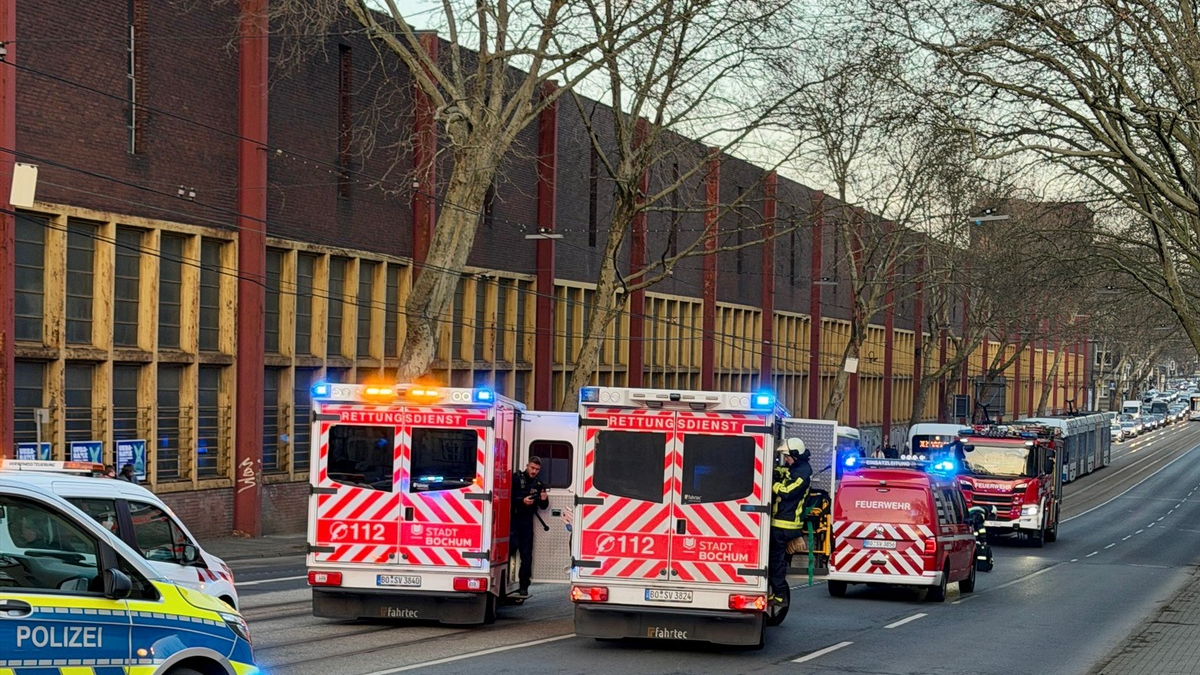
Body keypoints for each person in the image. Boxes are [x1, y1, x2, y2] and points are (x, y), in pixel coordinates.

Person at [769, 437, 812, 606]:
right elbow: (786, 473)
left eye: (787, 456)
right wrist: (775, 471)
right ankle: (778, 590)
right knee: (777, 560)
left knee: (775, 560)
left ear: (796, 455)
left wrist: (770, 483)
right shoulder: (797, 468)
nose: (786, 460)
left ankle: (780, 595)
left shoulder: (802, 472)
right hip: (782, 522)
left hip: (785, 524)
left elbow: (787, 491)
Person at [511, 456, 548, 597]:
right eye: (532, 468)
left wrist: (544, 500)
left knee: (526, 556)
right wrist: (522, 501)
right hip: (513, 520)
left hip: (527, 522)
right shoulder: (516, 479)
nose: (534, 471)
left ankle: (523, 586)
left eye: (537, 469)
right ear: (527, 466)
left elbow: (543, 506)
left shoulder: (538, 484)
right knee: (510, 549)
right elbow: (508, 497)